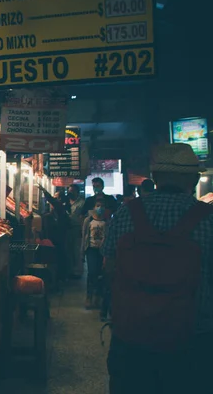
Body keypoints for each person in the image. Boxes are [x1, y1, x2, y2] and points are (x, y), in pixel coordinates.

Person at [103, 143, 213, 394]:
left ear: (153, 178)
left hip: (130, 339)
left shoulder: (124, 214)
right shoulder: (209, 218)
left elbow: (109, 268)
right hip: (192, 343)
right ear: (195, 179)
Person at [81, 198, 106, 309]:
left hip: (102, 250)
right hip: (91, 249)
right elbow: (84, 236)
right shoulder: (88, 220)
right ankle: (89, 296)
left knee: (101, 273)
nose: (99, 208)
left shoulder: (106, 221)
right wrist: (82, 252)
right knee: (92, 272)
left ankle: (97, 296)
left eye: (101, 205)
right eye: (97, 205)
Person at [67, 184, 85, 279]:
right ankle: (70, 270)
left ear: (77, 192)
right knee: (69, 250)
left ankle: (77, 272)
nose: (70, 192)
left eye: (72, 191)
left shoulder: (82, 203)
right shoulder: (66, 202)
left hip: (77, 228)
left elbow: (84, 217)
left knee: (77, 250)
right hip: (66, 229)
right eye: (69, 190)